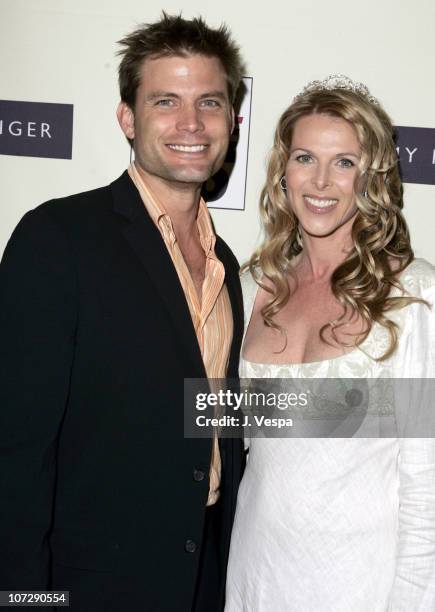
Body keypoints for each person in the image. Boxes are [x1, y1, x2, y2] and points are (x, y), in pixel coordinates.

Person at [0, 13, 245, 612]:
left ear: (233, 124)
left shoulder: (230, 268)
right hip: (88, 586)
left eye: (209, 103)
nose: (191, 123)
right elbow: (15, 449)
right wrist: (27, 600)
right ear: (127, 118)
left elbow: (210, 409)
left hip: (205, 576)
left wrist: (376, 411)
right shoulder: (58, 237)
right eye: (167, 101)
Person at [225, 76, 435, 611]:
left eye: (344, 161)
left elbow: (426, 490)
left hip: (357, 588)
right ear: (283, 171)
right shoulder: (250, 289)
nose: (321, 180)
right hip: (255, 576)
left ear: (372, 176)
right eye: (304, 158)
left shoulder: (415, 296)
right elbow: (218, 433)